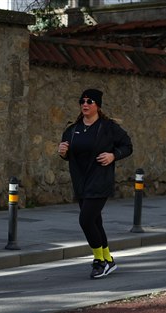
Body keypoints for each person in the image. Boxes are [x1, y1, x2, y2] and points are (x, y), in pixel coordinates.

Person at [58, 89, 133, 279]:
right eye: (82, 101)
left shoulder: (108, 127)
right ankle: (108, 259)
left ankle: (99, 260)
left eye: (89, 101)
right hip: (80, 182)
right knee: (95, 221)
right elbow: (69, 155)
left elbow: (127, 146)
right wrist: (63, 152)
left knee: (85, 220)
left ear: (97, 105)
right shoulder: (72, 129)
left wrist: (113, 155)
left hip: (100, 180)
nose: (85, 104)